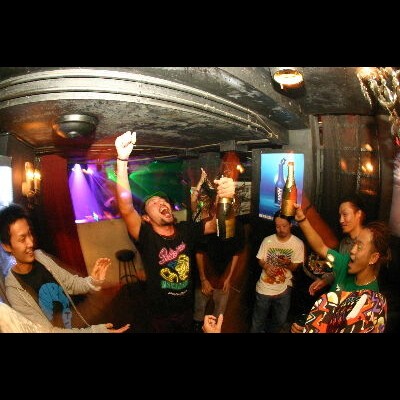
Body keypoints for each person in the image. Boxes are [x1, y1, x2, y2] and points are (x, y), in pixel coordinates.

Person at [115, 130, 236, 333]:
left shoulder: (186, 230)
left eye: (163, 201)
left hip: (186, 310)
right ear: (146, 218)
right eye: (154, 203)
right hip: (159, 314)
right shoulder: (146, 236)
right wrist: (121, 160)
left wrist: (227, 198)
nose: (162, 203)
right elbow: (126, 208)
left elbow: (216, 224)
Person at [0, 203, 130, 333]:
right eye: (22, 239)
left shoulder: (41, 257)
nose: (30, 242)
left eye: (29, 234)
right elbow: (47, 331)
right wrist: (95, 331)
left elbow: (71, 283)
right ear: (7, 246)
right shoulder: (14, 291)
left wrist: (93, 281)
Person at [293, 204, 391, 293]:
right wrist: (302, 219)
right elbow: (321, 247)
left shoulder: (370, 299)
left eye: (360, 247)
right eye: (355, 244)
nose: (352, 250)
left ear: (373, 258)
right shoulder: (346, 263)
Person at [250, 211, 305, 333]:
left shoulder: (297, 243)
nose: (281, 229)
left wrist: (287, 263)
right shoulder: (267, 240)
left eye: (284, 226)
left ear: (290, 224)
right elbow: (260, 259)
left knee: (280, 321)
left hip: (284, 288)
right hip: (264, 287)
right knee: (257, 322)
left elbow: (295, 267)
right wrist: (266, 266)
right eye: (277, 226)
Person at [308, 194, 367, 296]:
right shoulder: (344, 243)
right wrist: (325, 280)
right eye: (340, 216)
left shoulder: (369, 243)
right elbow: (339, 269)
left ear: (358, 214)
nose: (341, 220)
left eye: (345, 214)